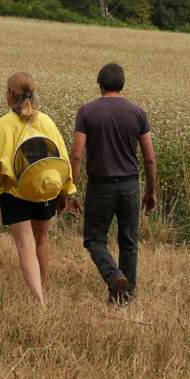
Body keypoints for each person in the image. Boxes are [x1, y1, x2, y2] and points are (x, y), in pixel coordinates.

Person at [0, 72, 81, 305]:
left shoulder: (2, 125)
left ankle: (38, 300)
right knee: (42, 239)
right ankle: (41, 288)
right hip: (46, 190)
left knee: (25, 244)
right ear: (34, 94)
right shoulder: (46, 121)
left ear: (9, 95)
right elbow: (62, 158)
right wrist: (68, 190)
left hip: (14, 193)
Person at [70, 62, 157, 304]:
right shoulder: (138, 112)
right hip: (130, 185)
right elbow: (149, 157)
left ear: (100, 85)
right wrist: (151, 191)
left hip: (100, 187)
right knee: (129, 241)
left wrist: (72, 190)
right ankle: (125, 298)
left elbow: (77, 154)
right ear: (122, 85)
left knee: (94, 239)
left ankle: (114, 275)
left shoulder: (87, 111)